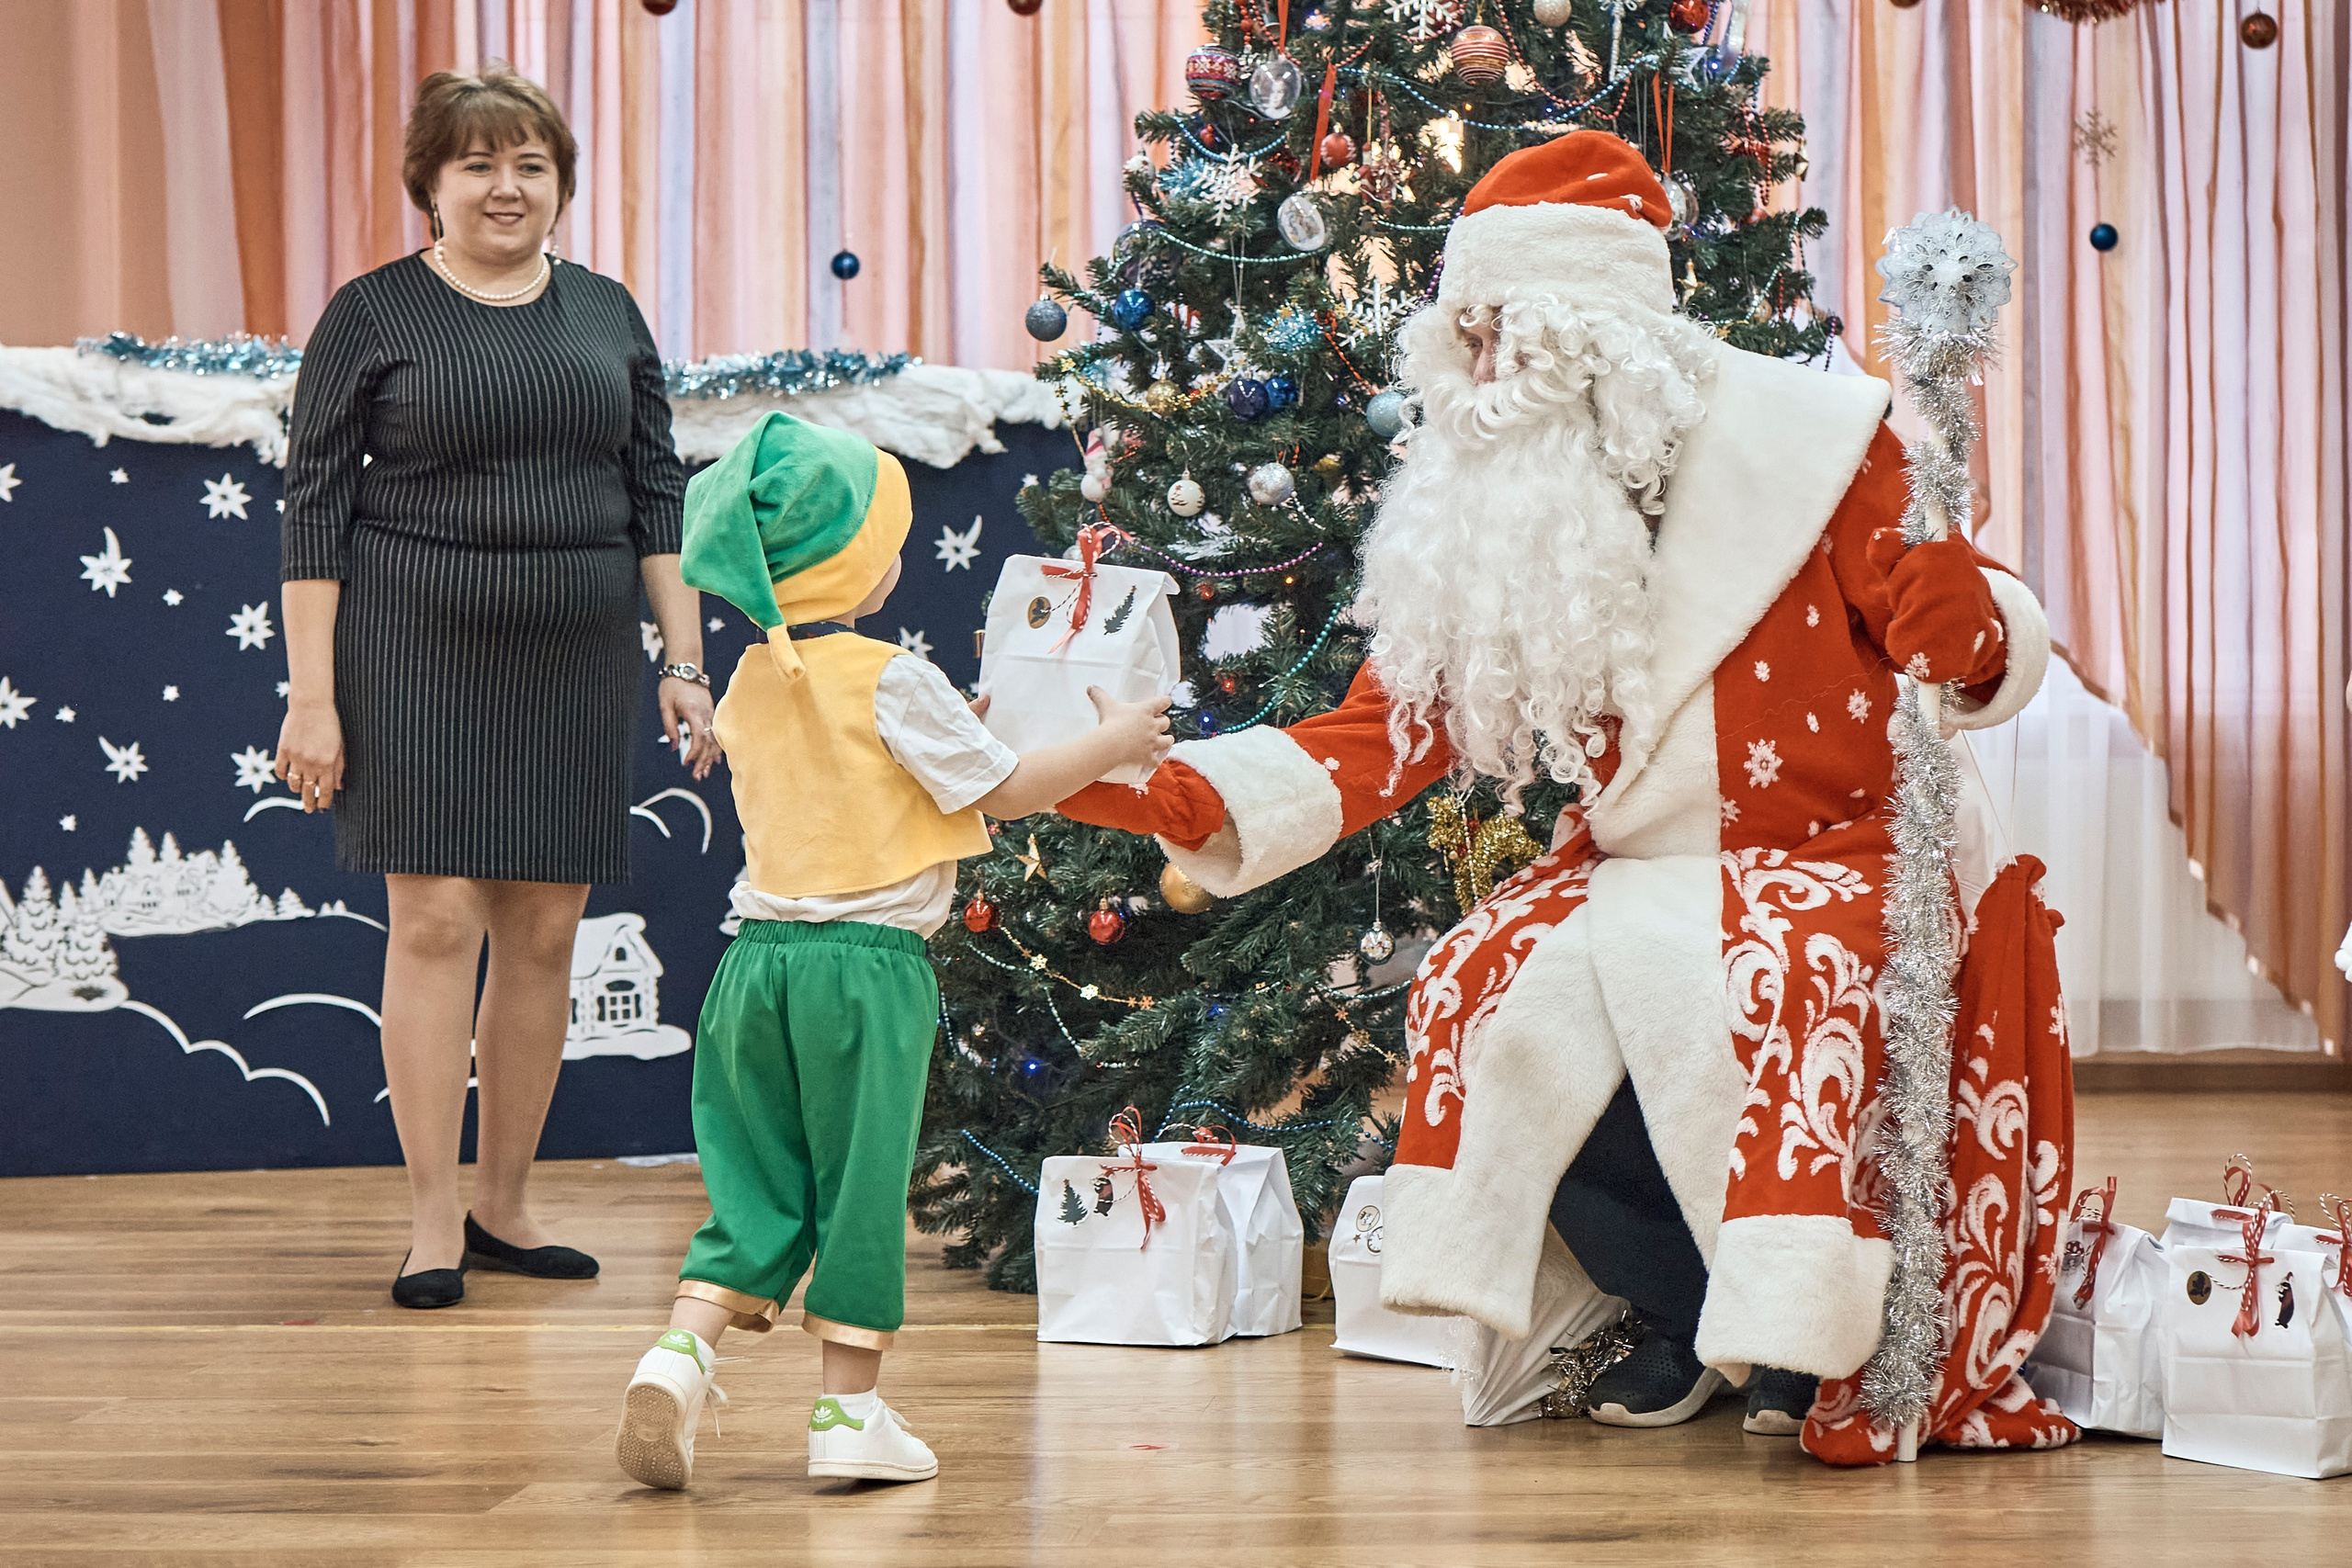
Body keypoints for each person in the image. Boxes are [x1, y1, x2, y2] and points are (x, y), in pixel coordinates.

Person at [1061, 130, 2077, 1461]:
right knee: (1484, 978)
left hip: (1841, 843)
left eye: (1501, 333)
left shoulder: (1824, 443)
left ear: (1595, 331)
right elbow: (1392, 725)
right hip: (1640, 854)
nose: (1478, 373)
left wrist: (1978, 631)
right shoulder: (1501, 495)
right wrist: (1187, 793)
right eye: (1465, 334)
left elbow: (1961, 640)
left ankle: (1796, 1323)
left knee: (1769, 975)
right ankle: (1682, 1299)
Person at [611, 413, 1170, 1490]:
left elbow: (845, 766)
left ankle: (677, 1355)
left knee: (755, 1185)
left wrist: (949, 725)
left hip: (753, 966)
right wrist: (1118, 742)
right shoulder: (891, 677)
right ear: (859, 568)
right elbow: (1003, 789)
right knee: (862, 1184)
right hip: (866, 973)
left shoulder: (749, 681)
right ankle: (848, 1412)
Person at [275, 66, 717, 1311]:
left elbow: (656, 497)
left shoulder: (607, 313)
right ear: (432, 184)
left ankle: (506, 1201)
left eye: (529, 162)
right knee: (434, 920)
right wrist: (313, 697)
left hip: (575, 649)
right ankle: (430, 1217)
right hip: (411, 642)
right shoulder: (370, 314)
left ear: (561, 183)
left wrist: (683, 660)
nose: (505, 185)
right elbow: (315, 516)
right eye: (477, 163)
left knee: (544, 927)